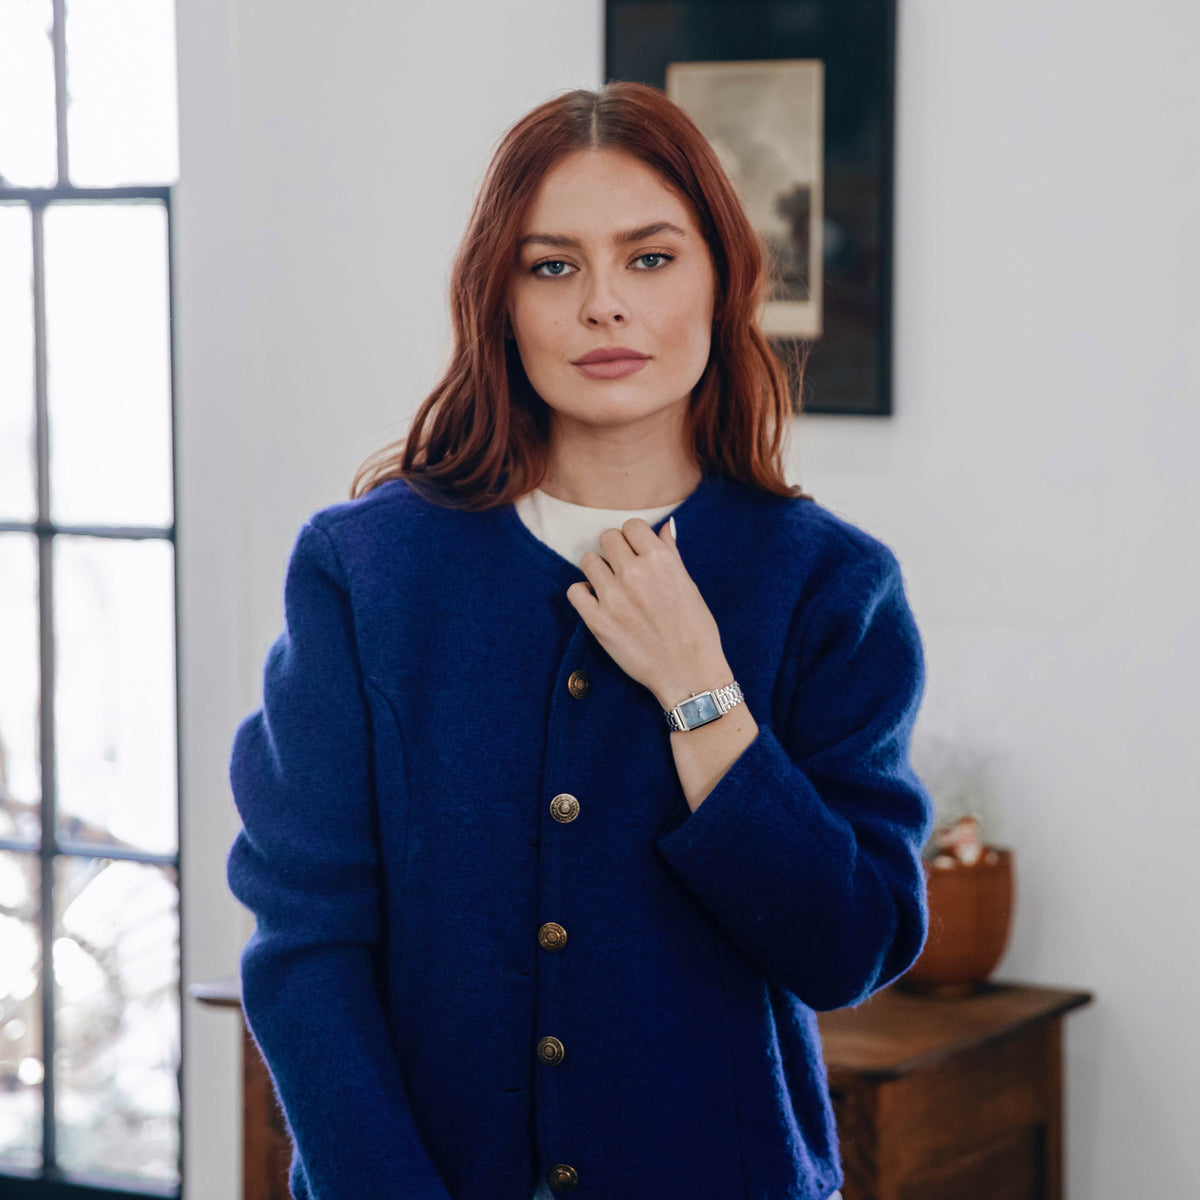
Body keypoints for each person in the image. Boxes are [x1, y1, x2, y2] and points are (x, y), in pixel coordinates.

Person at [226, 80, 931, 1200]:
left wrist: (702, 689)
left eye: (651, 259)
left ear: (722, 279)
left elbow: (846, 950)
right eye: (553, 266)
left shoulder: (830, 587)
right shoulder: (367, 572)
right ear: (499, 299)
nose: (605, 305)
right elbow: (304, 948)